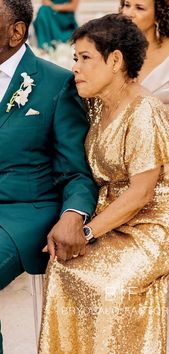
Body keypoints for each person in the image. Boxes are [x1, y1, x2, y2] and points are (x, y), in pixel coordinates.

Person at [38, 14, 169, 354]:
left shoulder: (144, 111)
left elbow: (142, 192)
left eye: (85, 58)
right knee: (63, 269)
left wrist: (85, 233)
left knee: (113, 285)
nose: (76, 67)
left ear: (115, 60)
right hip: (121, 214)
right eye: (75, 58)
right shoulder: (98, 105)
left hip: (165, 220)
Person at [0, 0, 98, 353]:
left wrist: (74, 214)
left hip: (23, 211)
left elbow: (76, 170)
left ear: (16, 32)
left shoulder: (55, 83)